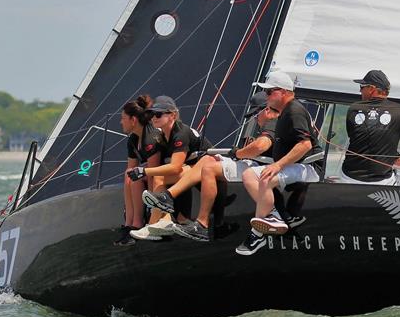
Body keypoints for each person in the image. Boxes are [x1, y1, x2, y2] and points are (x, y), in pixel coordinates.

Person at [143, 94, 279, 242]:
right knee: (205, 165)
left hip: (260, 170)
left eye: (255, 114)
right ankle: (186, 219)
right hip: (231, 170)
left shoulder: (272, 122)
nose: (254, 119)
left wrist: (239, 153)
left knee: (206, 164)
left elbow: (261, 145)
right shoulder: (161, 136)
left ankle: (168, 214)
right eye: (151, 114)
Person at [235, 71, 323, 256]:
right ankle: (275, 214)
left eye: (269, 92)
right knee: (248, 174)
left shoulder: (294, 110)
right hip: (294, 166)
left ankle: (257, 234)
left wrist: (277, 165)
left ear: (283, 92)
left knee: (267, 177)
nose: (266, 96)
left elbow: (305, 144)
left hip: (309, 167)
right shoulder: (285, 113)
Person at [127, 95, 211, 241]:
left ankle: (154, 223)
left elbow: (175, 167)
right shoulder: (162, 136)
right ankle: (162, 221)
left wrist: (144, 171)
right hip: (191, 168)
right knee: (157, 175)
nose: (154, 118)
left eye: (158, 114)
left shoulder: (180, 133)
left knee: (159, 175)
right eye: (152, 114)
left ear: (172, 115)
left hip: (205, 167)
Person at [339, 69, 400, 186]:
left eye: (362, 86)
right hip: (382, 183)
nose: (360, 90)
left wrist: (396, 159)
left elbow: (364, 144)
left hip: (350, 178)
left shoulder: (353, 108)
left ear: (372, 89)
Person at [115, 95, 164, 246]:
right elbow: (130, 169)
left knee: (136, 174)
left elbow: (153, 173)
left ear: (133, 120)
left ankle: (140, 222)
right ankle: (129, 224)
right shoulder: (133, 140)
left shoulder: (150, 137)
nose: (120, 121)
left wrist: (152, 206)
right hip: (152, 172)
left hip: (166, 171)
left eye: (123, 118)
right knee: (129, 174)